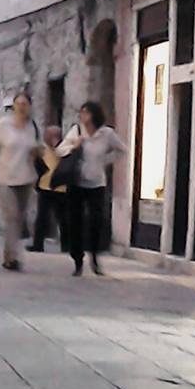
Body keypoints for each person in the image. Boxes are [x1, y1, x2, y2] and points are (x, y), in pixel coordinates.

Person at [58, 100, 125, 275]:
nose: (83, 116)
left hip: (96, 183)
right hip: (76, 182)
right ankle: (77, 260)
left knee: (96, 220)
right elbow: (59, 150)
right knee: (75, 222)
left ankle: (94, 256)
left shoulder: (106, 133)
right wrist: (74, 145)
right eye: (81, 112)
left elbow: (122, 150)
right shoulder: (77, 131)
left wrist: (105, 161)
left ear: (94, 115)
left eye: (86, 112)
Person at [0, 91, 41, 271]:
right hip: (6, 178)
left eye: (25, 104)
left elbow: (36, 150)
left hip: (26, 177)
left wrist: (38, 152)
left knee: (19, 218)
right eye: (18, 104)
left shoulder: (32, 127)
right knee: (12, 216)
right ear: (13, 106)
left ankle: (11, 253)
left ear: (29, 107)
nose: (22, 107)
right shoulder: (3, 125)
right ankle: (11, 258)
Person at [29, 121, 67, 255]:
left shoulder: (64, 149)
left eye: (50, 135)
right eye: (47, 135)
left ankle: (66, 245)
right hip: (45, 187)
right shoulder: (42, 150)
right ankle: (37, 244)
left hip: (61, 188)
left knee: (63, 218)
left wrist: (57, 145)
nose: (47, 138)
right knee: (42, 217)